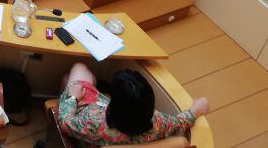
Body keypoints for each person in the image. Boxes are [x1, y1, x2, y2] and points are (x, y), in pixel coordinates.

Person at [58, 62, 208, 146]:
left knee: (78, 69)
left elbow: (65, 123)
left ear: (113, 104)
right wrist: (195, 110)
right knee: (75, 79)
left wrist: (73, 98)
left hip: (87, 118)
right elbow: (181, 122)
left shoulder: (93, 125)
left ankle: (65, 92)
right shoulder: (160, 122)